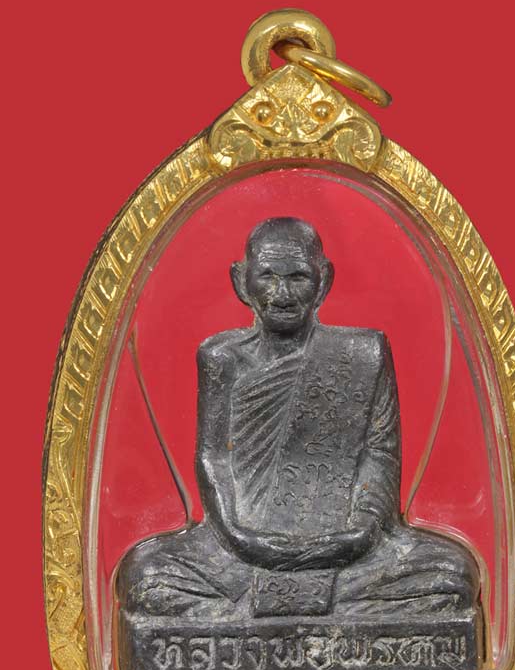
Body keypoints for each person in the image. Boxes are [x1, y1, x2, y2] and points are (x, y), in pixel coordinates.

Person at [116, 217, 480, 623]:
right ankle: (307, 615)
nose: (282, 294)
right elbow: (214, 457)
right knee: (146, 576)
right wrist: (238, 536)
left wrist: (359, 534)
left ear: (323, 281)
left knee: (450, 575)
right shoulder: (222, 358)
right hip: (241, 552)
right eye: (267, 277)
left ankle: (250, 617)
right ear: (241, 282)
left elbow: (379, 455)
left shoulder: (362, 354)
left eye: (298, 277)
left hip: (346, 551)